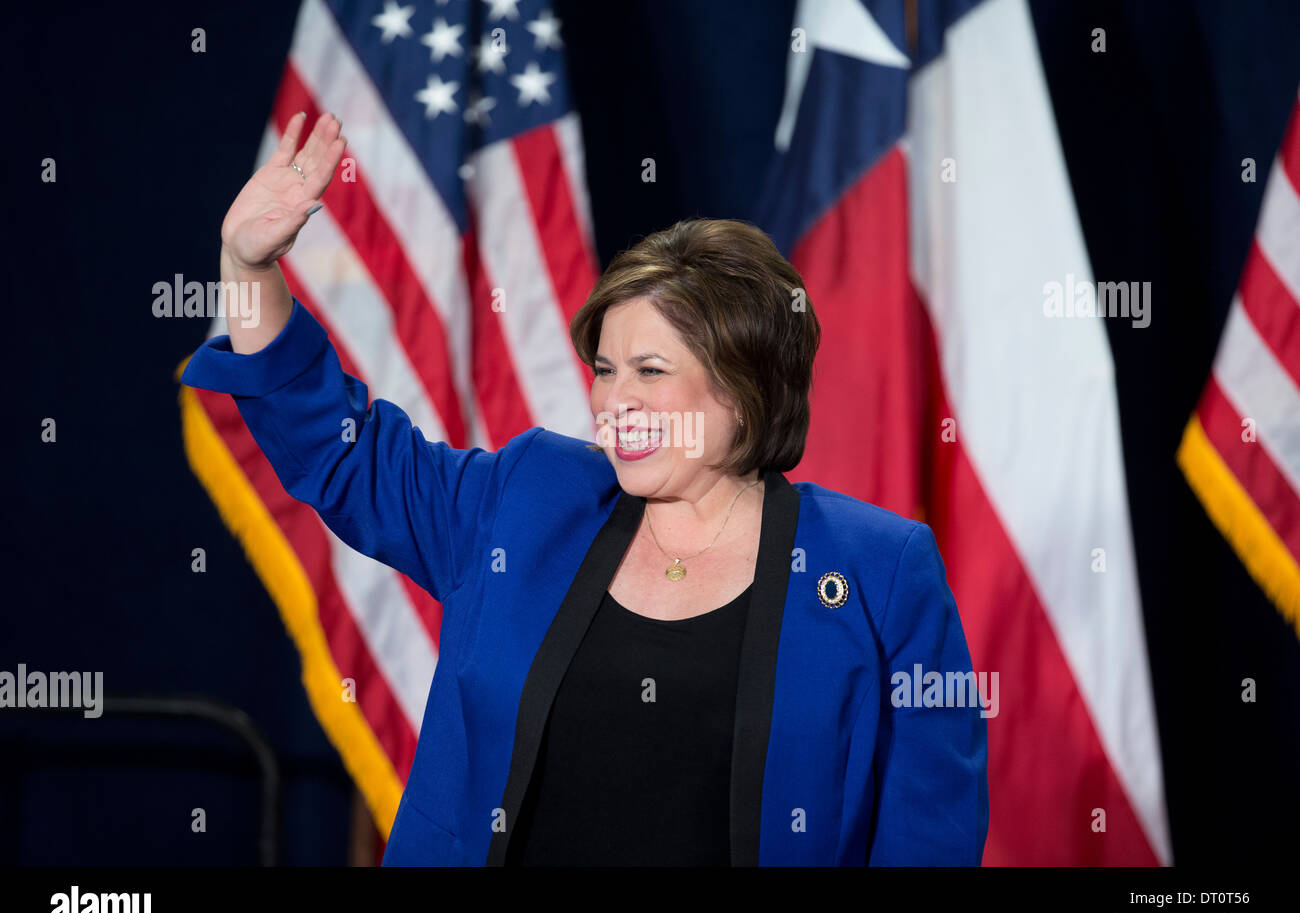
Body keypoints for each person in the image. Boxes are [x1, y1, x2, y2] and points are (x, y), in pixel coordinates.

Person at [181, 111, 989, 866]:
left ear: (744, 390)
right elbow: (348, 456)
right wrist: (248, 268)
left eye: (650, 371)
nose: (614, 401)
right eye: (605, 370)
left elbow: (932, 832)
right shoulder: (528, 501)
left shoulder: (880, 571)